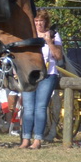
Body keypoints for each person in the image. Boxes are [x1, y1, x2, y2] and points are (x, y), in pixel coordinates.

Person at [20, 11, 63, 149]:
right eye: (36, 21)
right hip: (29, 74)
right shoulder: (27, 34)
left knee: (40, 107)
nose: (38, 24)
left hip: (47, 74)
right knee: (27, 108)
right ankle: (25, 138)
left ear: (46, 22)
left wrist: (49, 42)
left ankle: (37, 139)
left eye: (41, 21)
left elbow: (58, 56)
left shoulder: (53, 35)